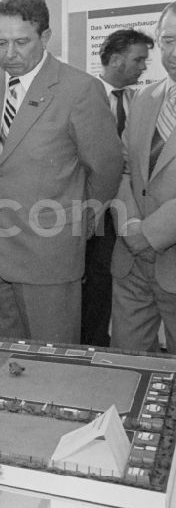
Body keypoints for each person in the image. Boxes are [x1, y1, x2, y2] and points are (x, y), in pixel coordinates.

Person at [0, 0, 122, 344]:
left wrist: (77, 225)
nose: (9, 53)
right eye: (0, 43)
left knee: (51, 362)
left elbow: (106, 169)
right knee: (1, 361)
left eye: (21, 42)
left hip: (49, 253)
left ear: (46, 37)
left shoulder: (79, 89)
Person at [83, 28, 155, 347]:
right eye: (138, 59)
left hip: (129, 212)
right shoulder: (84, 96)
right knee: (93, 284)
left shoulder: (138, 102)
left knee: (115, 282)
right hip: (92, 211)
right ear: (114, 59)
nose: (143, 67)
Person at [111, 3, 176, 352]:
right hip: (131, 265)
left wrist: (149, 235)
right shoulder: (144, 98)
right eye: (167, 40)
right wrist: (130, 225)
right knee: (126, 371)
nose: (174, 52)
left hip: (165, 256)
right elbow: (122, 170)